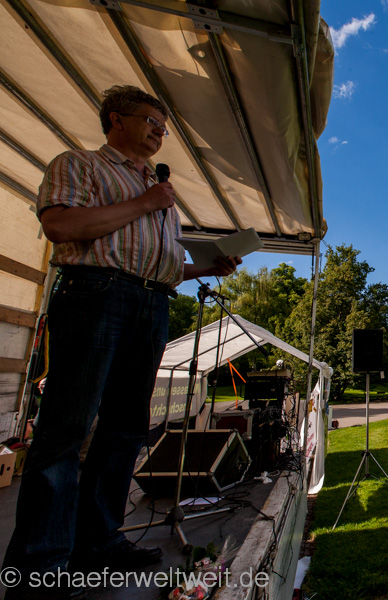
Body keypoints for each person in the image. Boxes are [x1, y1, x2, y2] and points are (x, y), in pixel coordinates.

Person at [3, 86, 241, 593]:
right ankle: (40, 566)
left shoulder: (160, 194)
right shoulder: (81, 165)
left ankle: (99, 540)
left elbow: (164, 262)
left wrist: (207, 268)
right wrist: (145, 202)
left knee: (126, 429)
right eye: (152, 121)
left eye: (164, 126)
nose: (160, 132)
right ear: (116, 119)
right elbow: (59, 225)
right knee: (67, 428)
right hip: (96, 295)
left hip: (151, 302)